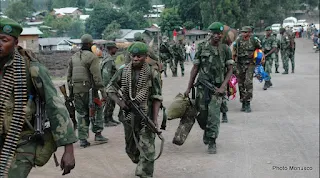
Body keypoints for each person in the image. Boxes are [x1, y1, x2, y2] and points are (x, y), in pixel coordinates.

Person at [0, 18, 77, 177]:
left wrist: (68, 149)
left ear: (15, 42)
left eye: (3, 40)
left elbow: (55, 106)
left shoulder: (32, 68)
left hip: (22, 141)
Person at [106, 42, 163, 178]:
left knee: (148, 147)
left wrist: (154, 120)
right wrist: (121, 103)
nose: (136, 59)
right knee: (131, 149)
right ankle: (140, 162)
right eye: (133, 56)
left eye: (139, 56)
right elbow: (110, 89)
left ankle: (145, 173)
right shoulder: (123, 71)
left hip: (145, 114)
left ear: (146, 56)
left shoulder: (152, 73)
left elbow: (157, 97)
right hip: (128, 115)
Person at [184, 22, 234, 154]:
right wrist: (189, 88)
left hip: (217, 89)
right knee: (203, 116)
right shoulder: (202, 48)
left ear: (222, 35)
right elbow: (195, 68)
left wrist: (223, 86)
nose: (217, 36)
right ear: (210, 33)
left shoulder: (225, 49)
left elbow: (230, 70)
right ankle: (207, 131)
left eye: (219, 33)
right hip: (202, 87)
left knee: (214, 115)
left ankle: (212, 141)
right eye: (214, 33)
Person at [67, 34, 108, 148]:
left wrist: (70, 94)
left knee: (81, 114)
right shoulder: (92, 57)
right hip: (90, 91)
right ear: (90, 44)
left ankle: (83, 139)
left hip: (76, 90)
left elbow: (69, 77)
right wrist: (103, 92)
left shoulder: (74, 57)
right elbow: (97, 77)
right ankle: (98, 134)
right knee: (97, 110)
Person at [233, 26, 262, 112]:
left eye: (246, 32)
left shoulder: (254, 40)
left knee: (248, 82)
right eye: (243, 32)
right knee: (241, 84)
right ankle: (243, 102)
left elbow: (259, 49)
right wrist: (233, 63)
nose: (244, 34)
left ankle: (248, 102)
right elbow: (234, 52)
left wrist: (259, 60)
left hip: (250, 64)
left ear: (250, 33)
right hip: (240, 64)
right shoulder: (238, 40)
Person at [100, 42, 121, 127]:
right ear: (111, 49)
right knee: (109, 102)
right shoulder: (109, 60)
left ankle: (110, 118)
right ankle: (106, 120)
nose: (116, 50)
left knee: (112, 102)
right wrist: (108, 87)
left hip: (111, 85)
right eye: (115, 48)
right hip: (109, 85)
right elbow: (106, 75)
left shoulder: (108, 58)